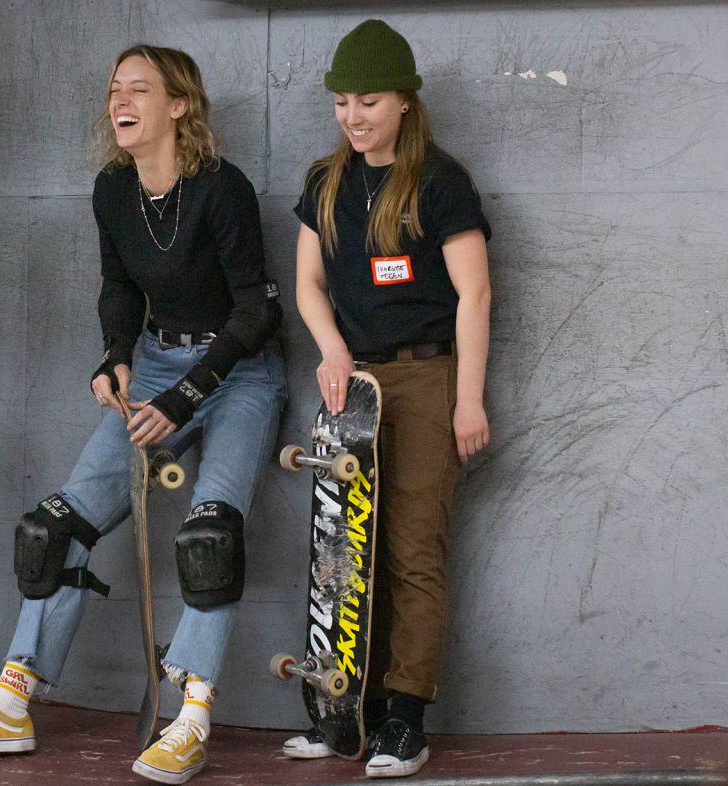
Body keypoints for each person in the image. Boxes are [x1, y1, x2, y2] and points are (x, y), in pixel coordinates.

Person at [0, 44, 285, 785]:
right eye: (116, 88)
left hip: (239, 370)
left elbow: (255, 314)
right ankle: (13, 703)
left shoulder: (222, 189)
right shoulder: (113, 190)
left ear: (179, 106)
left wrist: (185, 397)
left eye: (140, 89)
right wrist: (113, 357)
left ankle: (192, 719)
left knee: (209, 538)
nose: (121, 99)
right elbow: (118, 288)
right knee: (53, 528)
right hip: (154, 362)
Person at [285, 19, 492, 779]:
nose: (353, 115)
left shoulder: (440, 182)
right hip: (353, 384)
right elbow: (308, 284)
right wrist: (332, 350)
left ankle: (405, 720)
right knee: (343, 554)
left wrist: (467, 401)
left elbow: (475, 295)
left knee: (411, 552)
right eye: (342, 101)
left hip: (425, 376)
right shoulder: (325, 180)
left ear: (405, 101)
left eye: (368, 100)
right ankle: (345, 712)